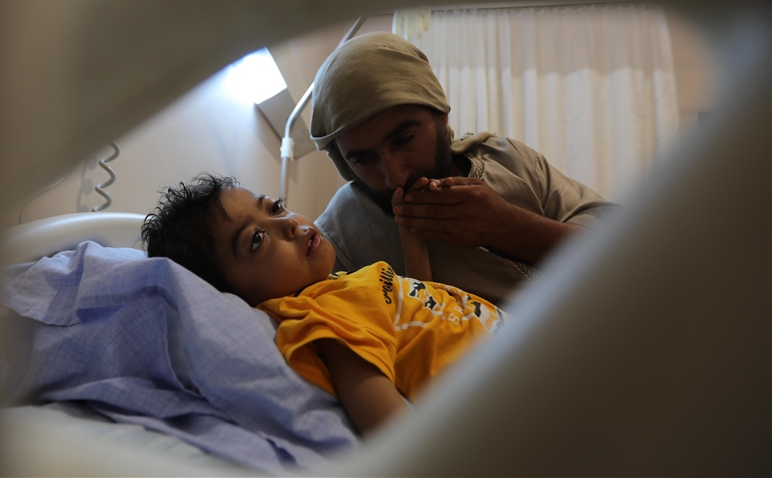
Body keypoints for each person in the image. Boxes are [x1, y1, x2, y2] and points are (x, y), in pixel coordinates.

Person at [141, 174, 511, 436]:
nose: (289, 224)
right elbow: (384, 419)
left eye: (276, 207)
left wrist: (410, 235)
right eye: (256, 240)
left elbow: (421, 306)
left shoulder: (341, 286)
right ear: (235, 296)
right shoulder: (322, 313)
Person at [310, 32, 619, 306]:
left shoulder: (506, 158)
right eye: (363, 160)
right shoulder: (338, 236)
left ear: (440, 114)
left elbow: (622, 245)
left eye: (404, 140)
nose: (395, 177)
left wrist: (505, 225)